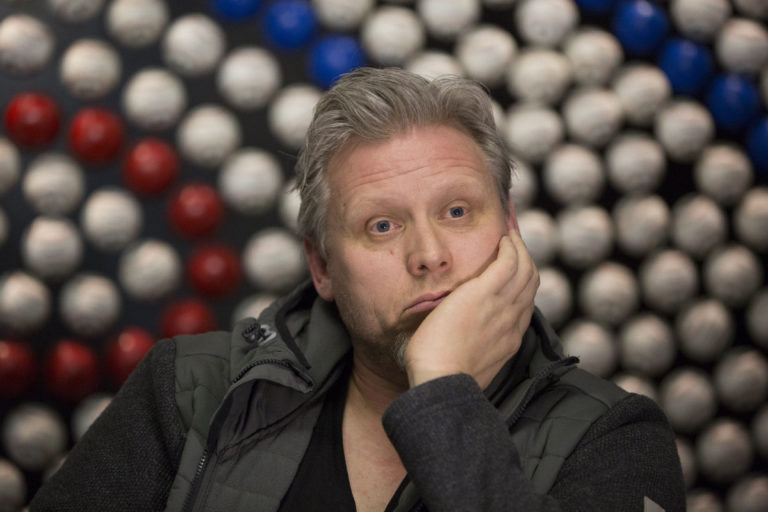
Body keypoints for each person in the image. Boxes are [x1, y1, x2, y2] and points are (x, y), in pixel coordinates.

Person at [31, 67, 685, 512]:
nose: (429, 255)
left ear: (510, 230)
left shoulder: (612, 435)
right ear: (322, 267)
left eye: (458, 211)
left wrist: (442, 390)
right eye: (381, 226)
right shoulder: (189, 391)